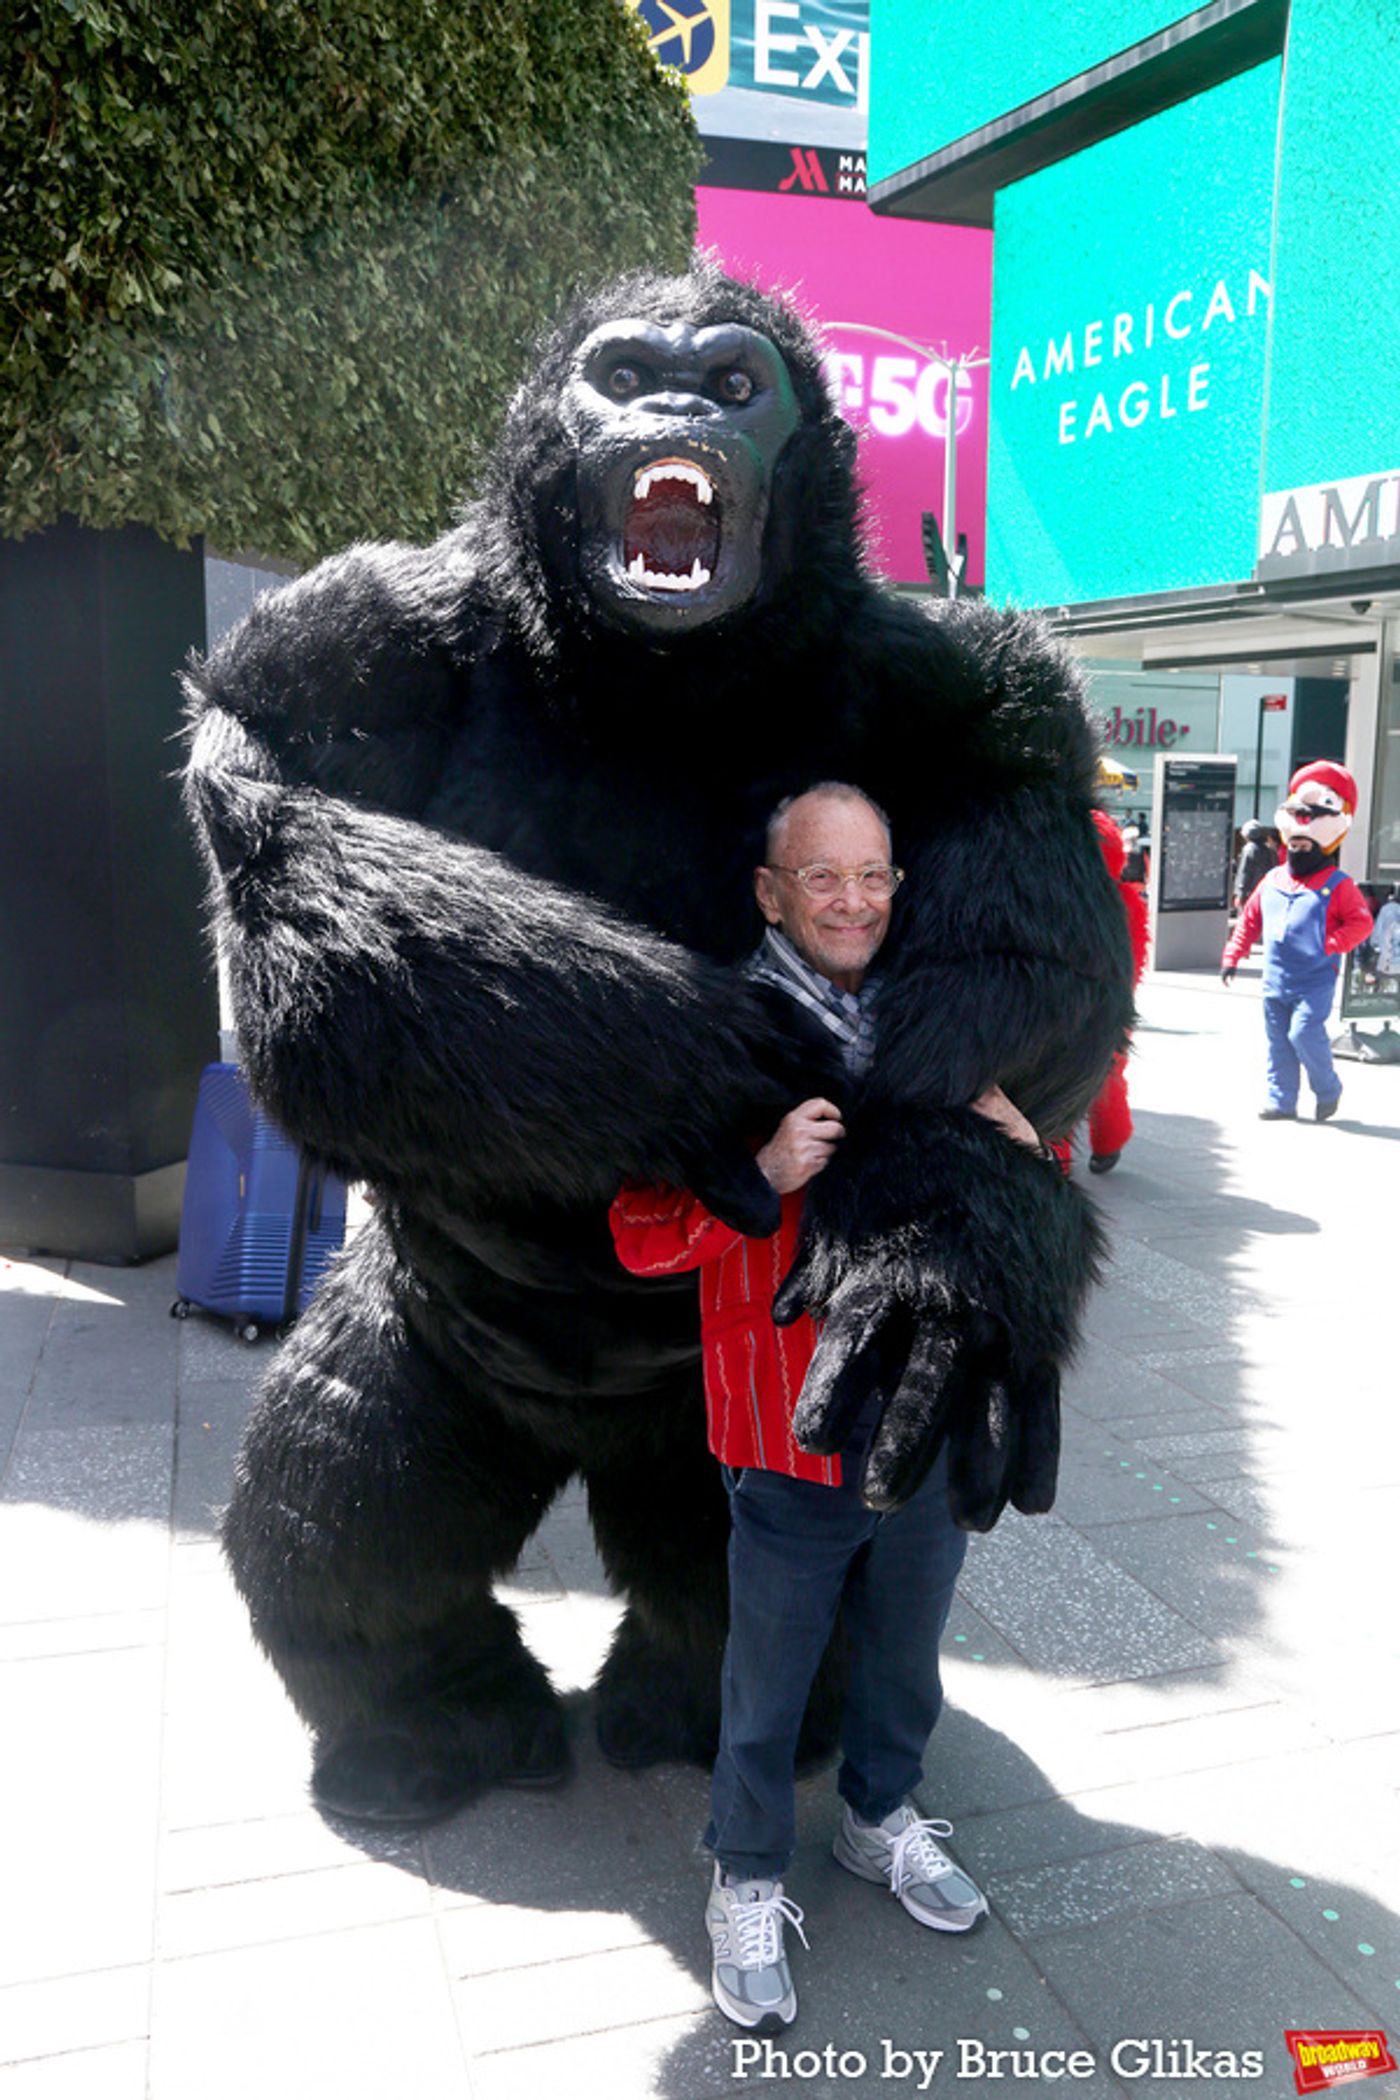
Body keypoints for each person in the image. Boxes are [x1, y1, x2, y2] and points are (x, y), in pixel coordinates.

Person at [610, 784, 1046, 2035]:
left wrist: (1028, 1152)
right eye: (821, 876)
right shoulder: (714, 1038)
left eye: (871, 876)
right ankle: (745, 1876)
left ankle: (877, 1815)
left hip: (927, 1411)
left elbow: (1016, 1204)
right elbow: (636, 1235)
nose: (851, 901)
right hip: (784, 1427)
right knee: (767, 1676)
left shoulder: (932, 1023)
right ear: (769, 891)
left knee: (905, 1650)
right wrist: (756, 1173)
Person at [1221, 762, 1373, 1122]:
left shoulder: (1339, 884)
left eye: (1307, 845)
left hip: (1314, 980)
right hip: (1275, 979)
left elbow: (1361, 923)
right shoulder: (1273, 880)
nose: (1300, 849)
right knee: (1278, 1042)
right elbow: (1249, 921)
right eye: (1295, 845)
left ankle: (1328, 1089)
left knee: (1303, 1033)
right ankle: (1281, 1100)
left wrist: (1332, 943)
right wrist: (1232, 955)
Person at [1232, 820, 1281, 913]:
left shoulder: (1249, 849)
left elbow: (1244, 872)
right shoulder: (1271, 850)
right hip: (1267, 891)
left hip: (1250, 893)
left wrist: (1240, 894)